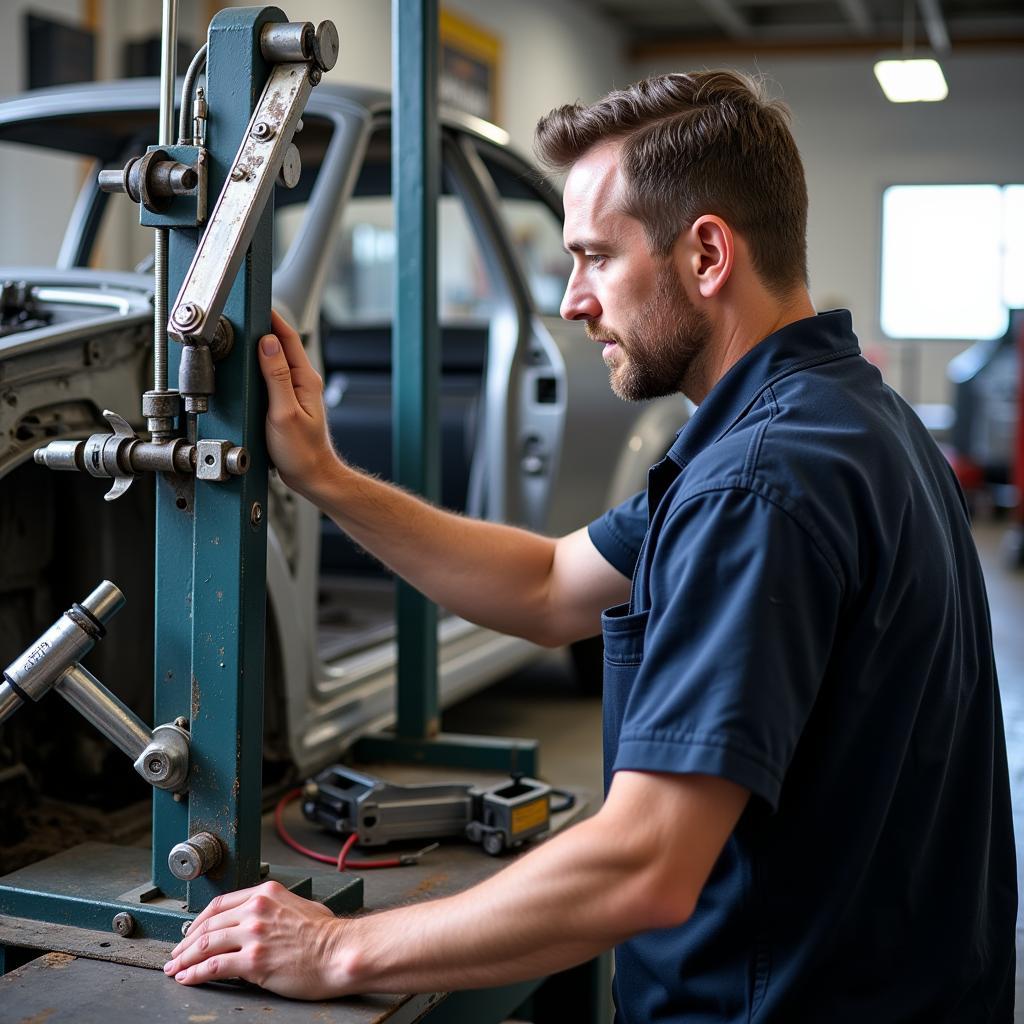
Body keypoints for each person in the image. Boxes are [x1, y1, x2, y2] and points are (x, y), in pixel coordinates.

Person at [163, 71, 1016, 1020]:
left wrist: (337, 946)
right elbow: (550, 581)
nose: (572, 301)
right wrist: (323, 474)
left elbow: (644, 864)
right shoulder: (848, 415)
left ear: (706, 254)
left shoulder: (760, 484)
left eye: (596, 258)